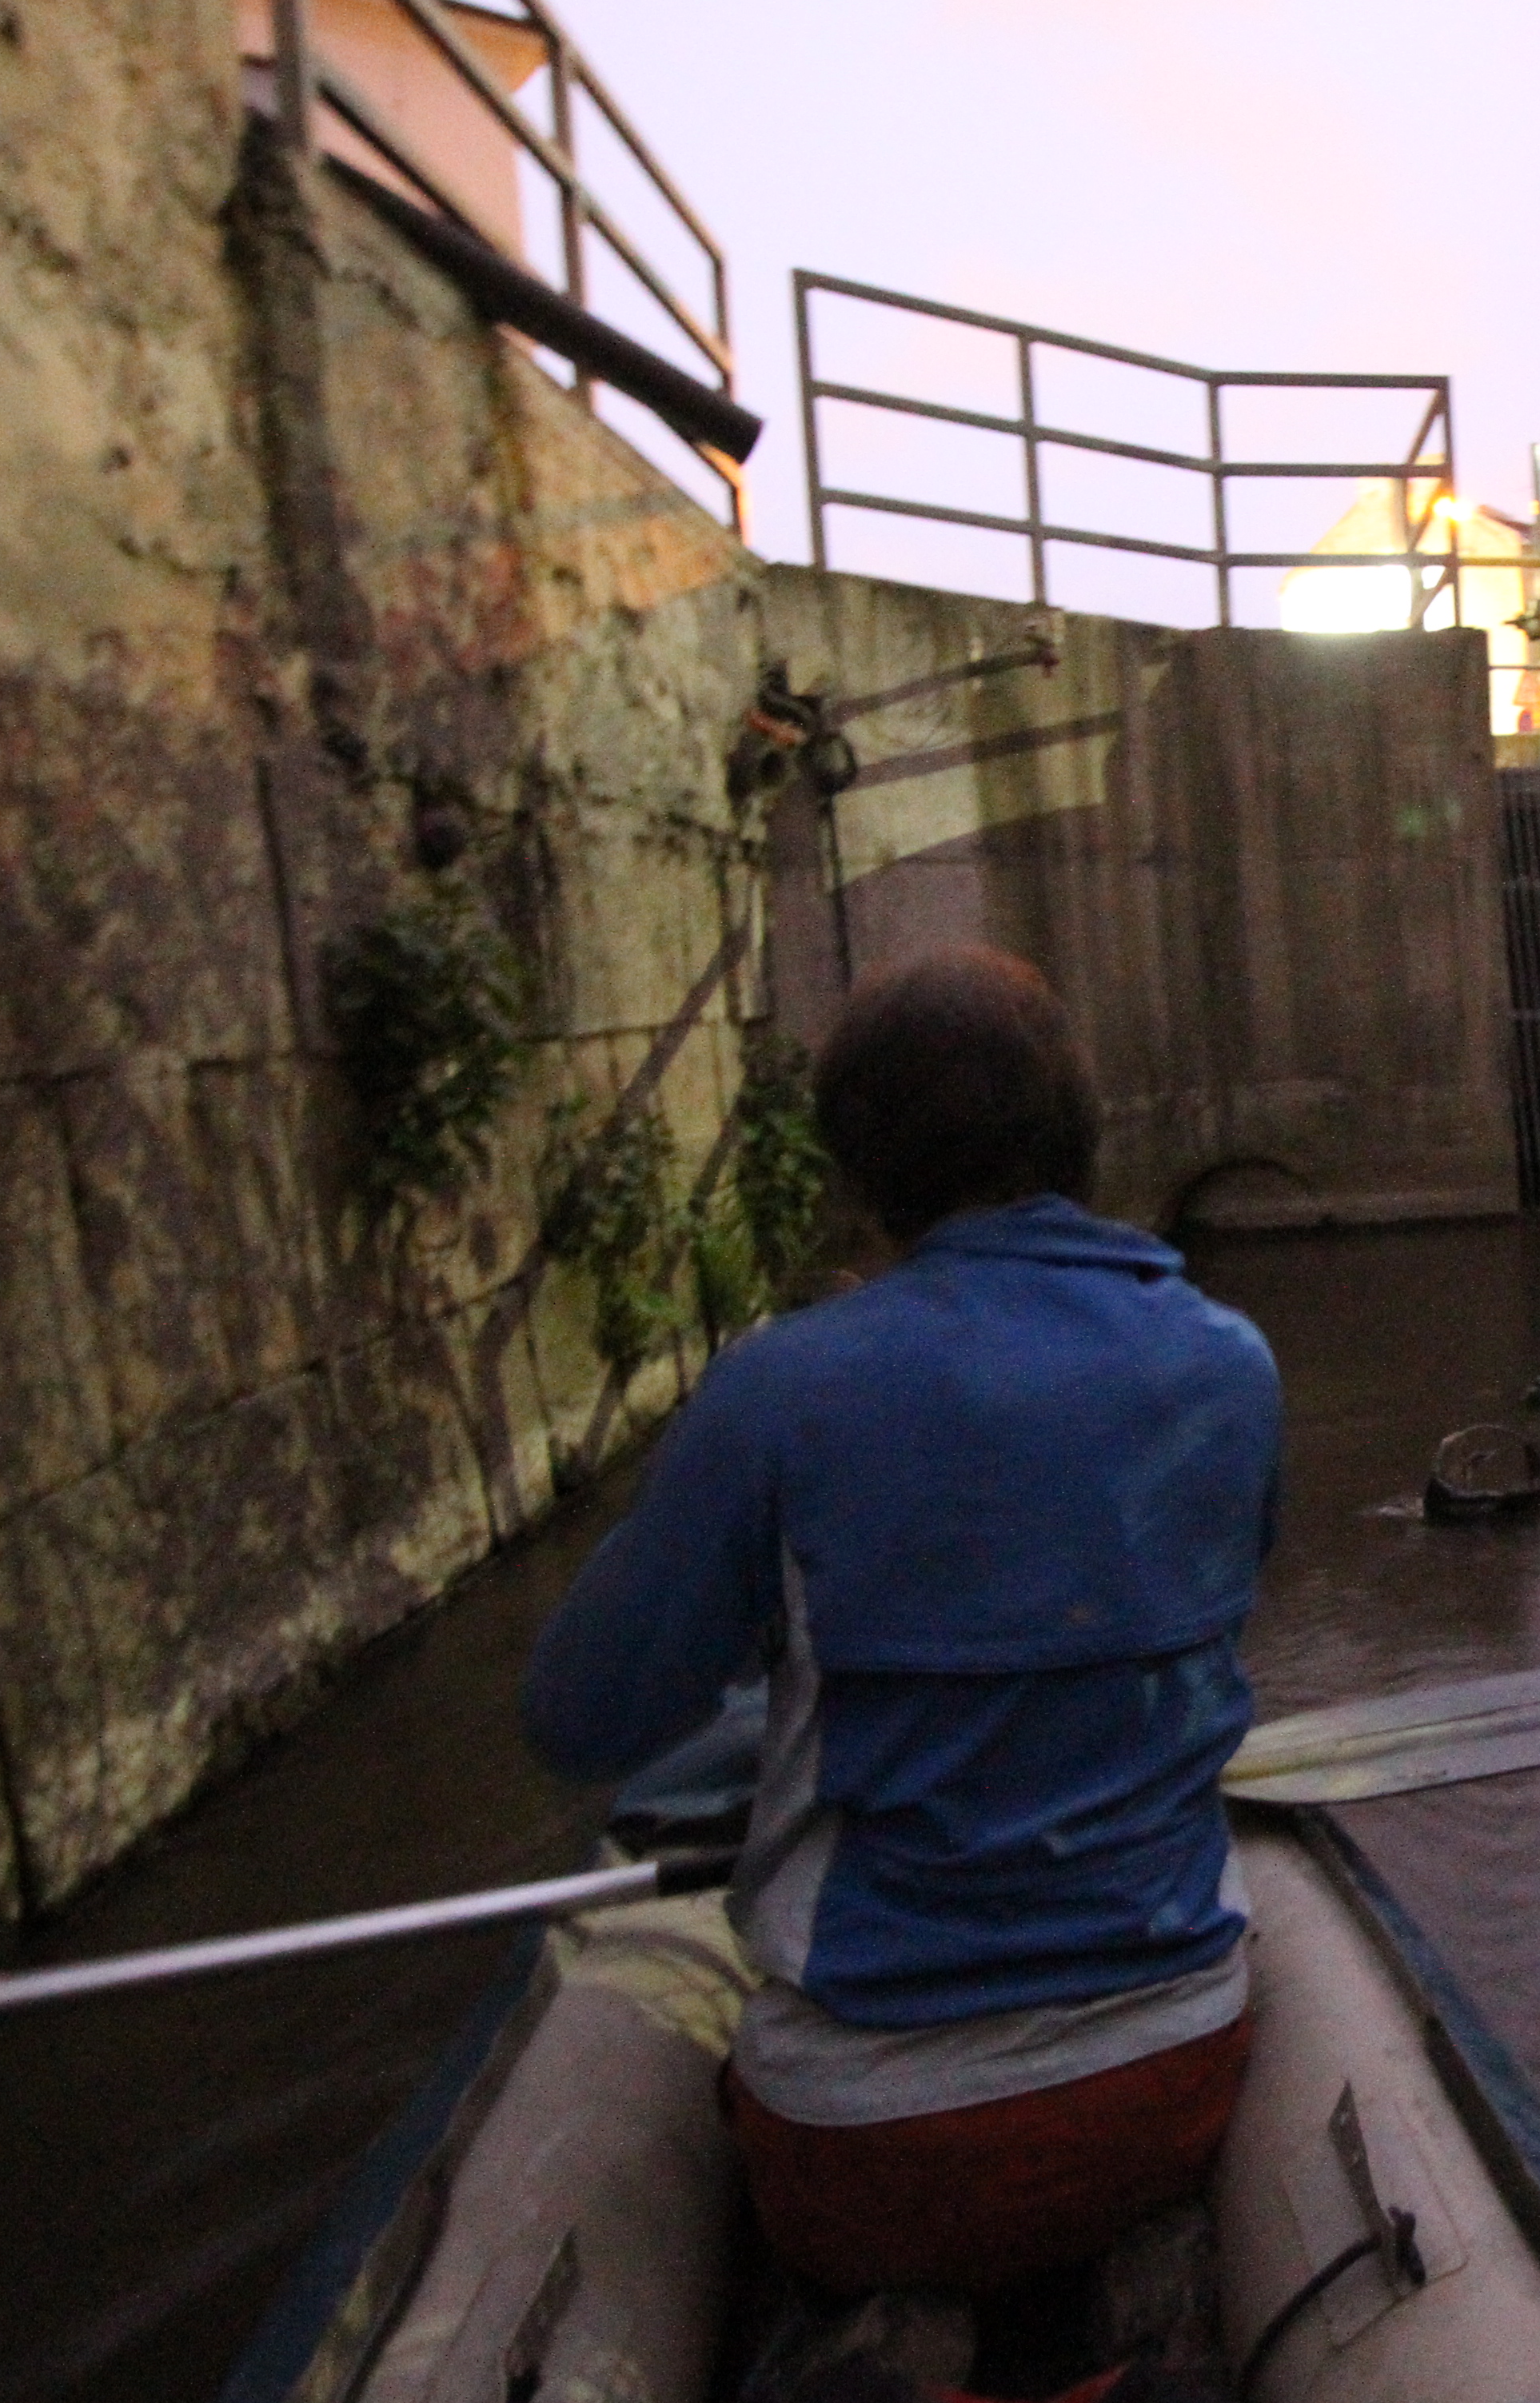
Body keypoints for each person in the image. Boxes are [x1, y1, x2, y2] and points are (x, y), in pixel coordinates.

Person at [521, 946, 1282, 2297]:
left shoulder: (779, 1390)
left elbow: (580, 1722)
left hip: (875, 2154)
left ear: (861, 1178)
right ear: (1080, 1143)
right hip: (1172, 2087)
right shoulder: (1233, 1362)